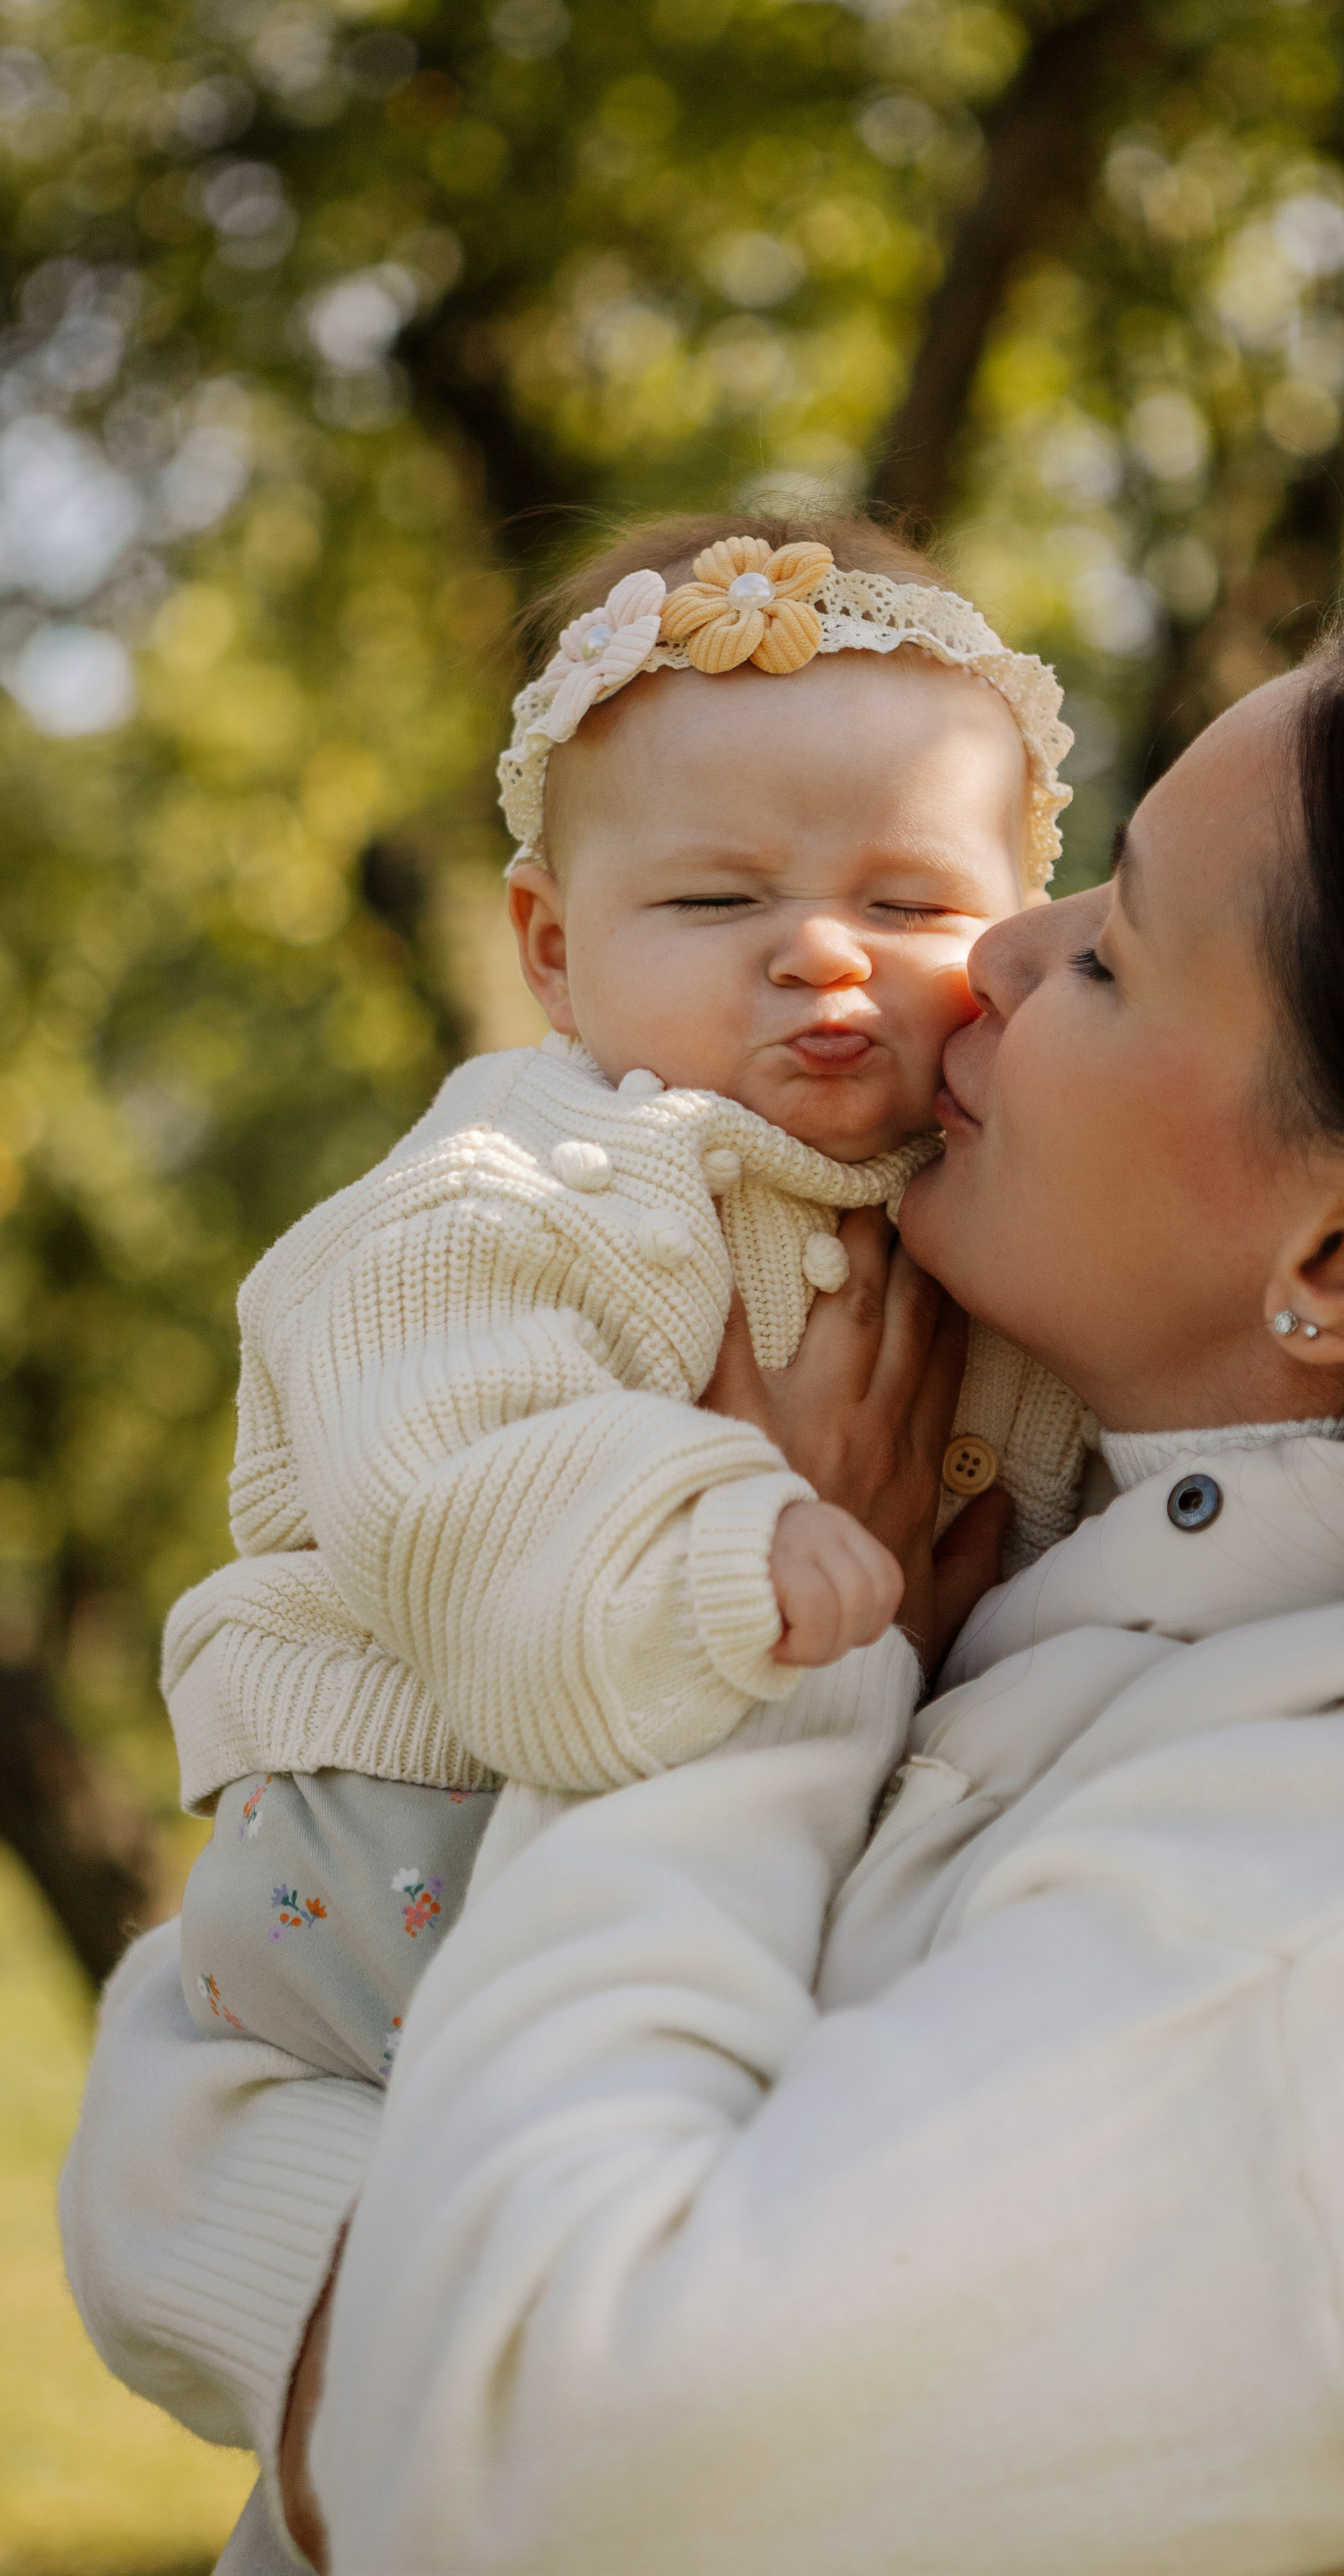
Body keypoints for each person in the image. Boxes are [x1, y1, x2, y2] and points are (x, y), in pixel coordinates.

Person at [64, 580, 1344, 2576]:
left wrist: (752, 1673)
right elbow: (180, 2089)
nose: (992, 954)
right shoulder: (1079, 1593)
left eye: (1109, 952)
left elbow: (540, 2482)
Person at [158, 511, 1088, 2097]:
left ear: (1015, 936)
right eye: (716, 905)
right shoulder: (520, 1180)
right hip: (405, 1825)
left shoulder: (1004, 1197)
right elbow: (448, 1468)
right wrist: (712, 1538)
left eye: (909, 906)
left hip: (745, 1846)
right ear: (554, 949)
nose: (816, 953)